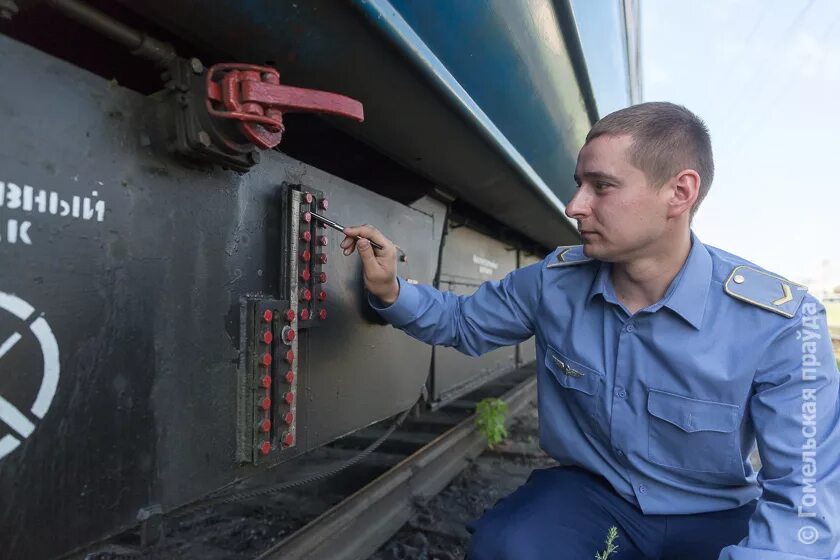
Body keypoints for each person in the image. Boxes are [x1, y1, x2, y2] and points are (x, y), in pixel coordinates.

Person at [339, 102, 840, 560]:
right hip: (597, 498)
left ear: (679, 193)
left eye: (601, 186)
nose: (574, 206)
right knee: (508, 548)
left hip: (716, 515)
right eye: (579, 184)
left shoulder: (783, 324)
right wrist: (389, 289)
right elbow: (461, 322)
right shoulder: (552, 284)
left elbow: (805, 496)